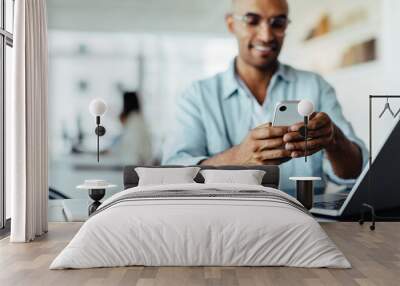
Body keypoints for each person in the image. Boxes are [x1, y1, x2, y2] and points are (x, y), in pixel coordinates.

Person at [162, 0, 367, 192]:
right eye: (252, 21)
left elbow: (357, 173)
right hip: (223, 222)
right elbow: (172, 173)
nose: (266, 35)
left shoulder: (315, 86)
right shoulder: (197, 95)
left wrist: (334, 140)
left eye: (278, 23)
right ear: (231, 24)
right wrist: (238, 158)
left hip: (302, 222)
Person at [113, 91, 152, 165]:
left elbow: (135, 147)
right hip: (133, 163)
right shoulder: (135, 119)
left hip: (135, 164)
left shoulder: (135, 121)